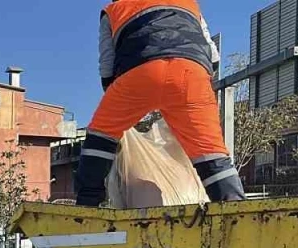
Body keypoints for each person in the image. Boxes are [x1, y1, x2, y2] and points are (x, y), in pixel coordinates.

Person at [76, 0, 244, 207]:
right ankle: (235, 209)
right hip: (191, 74)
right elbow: (214, 57)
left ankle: (87, 205)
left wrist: (119, 104)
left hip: (140, 73)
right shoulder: (189, 4)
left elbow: (107, 68)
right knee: (212, 154)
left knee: (99, 137)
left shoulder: (114, 10)